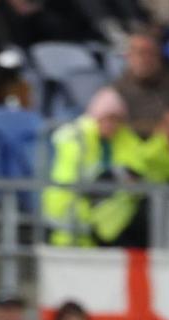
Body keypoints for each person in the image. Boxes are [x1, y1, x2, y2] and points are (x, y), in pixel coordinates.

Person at [42, 88, 147, 247]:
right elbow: (73, 180)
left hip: (105, 219)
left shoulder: (126, 139)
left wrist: (115, 177)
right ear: (96, 117)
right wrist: (112, 177)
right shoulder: (77, 138)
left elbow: (138, 171)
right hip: (71, 218)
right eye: (107, 118)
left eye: (116, 119)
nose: (112, 125)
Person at [111, 31, 169, 138]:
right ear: (129, 57)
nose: (145, 59)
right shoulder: (117, 90)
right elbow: (117, 126)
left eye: (151, 53)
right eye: (140, 53)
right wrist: (160, 128)